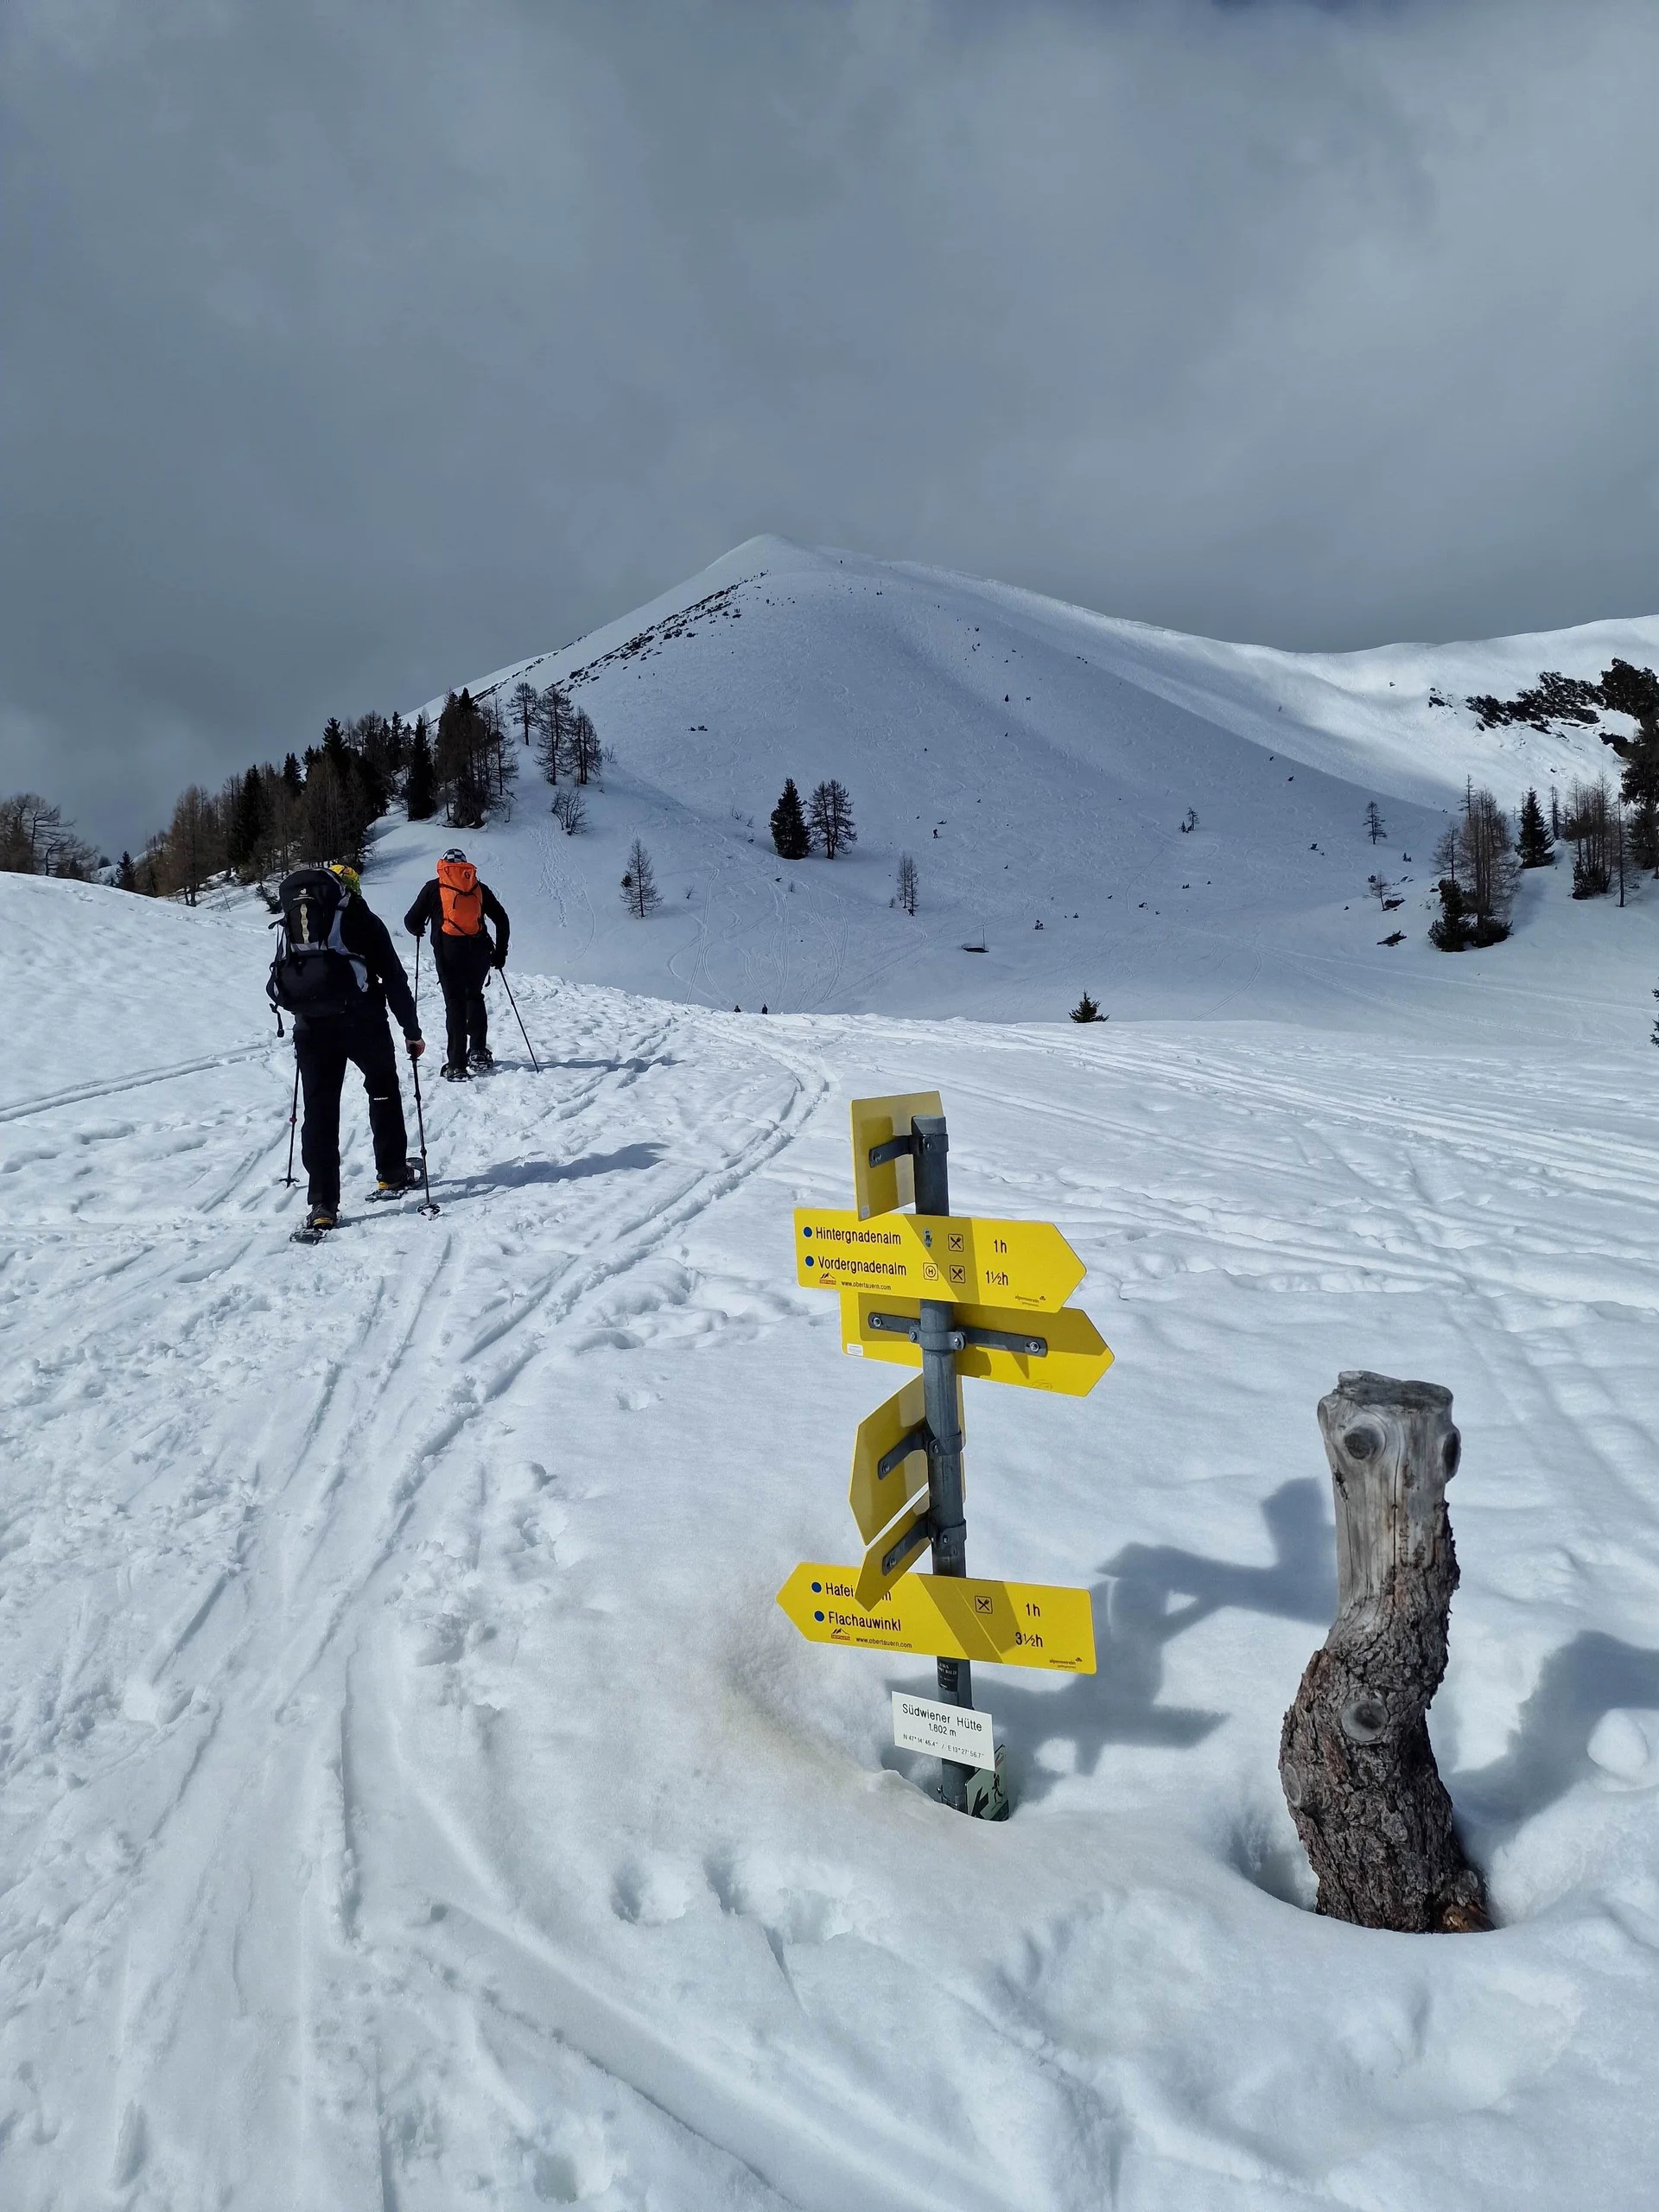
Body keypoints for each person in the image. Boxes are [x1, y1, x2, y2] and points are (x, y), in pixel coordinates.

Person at [267, 861, 426, 1236]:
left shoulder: (297, 917)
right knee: (383, 1089)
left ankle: (323, 1204)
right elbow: (394, 977)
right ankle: (391, 1173)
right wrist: (412, 1030)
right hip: (363, 1021)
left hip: (310, 1025)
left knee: (320, 1109)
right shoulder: (362, 919)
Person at [404, 849, 511, 1079]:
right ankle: (479, 1052)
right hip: (479, 950)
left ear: (444, 866)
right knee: (474, 995)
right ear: (465, 867)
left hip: (448, 952)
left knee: (455, 1003)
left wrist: (419, 928)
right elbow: (501, 918)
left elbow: (411, 920)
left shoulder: (434, 887)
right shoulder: (478, 887)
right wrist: (500, 952)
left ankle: (456, 1064)